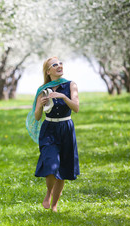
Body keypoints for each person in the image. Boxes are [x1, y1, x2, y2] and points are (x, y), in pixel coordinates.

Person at [25, 56, 80, 212]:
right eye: (54, 65)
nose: (59, 66)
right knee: (51, 163)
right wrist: (40, 106)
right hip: (49, 129)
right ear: (48, 71)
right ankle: (48, 193)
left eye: (60, 63)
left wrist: (63, 97)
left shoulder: (71, 85)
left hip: (66, 128)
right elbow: (36, 117)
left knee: (62, 168)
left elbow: (76, 108)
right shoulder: (43, 90)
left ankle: (54, 206)